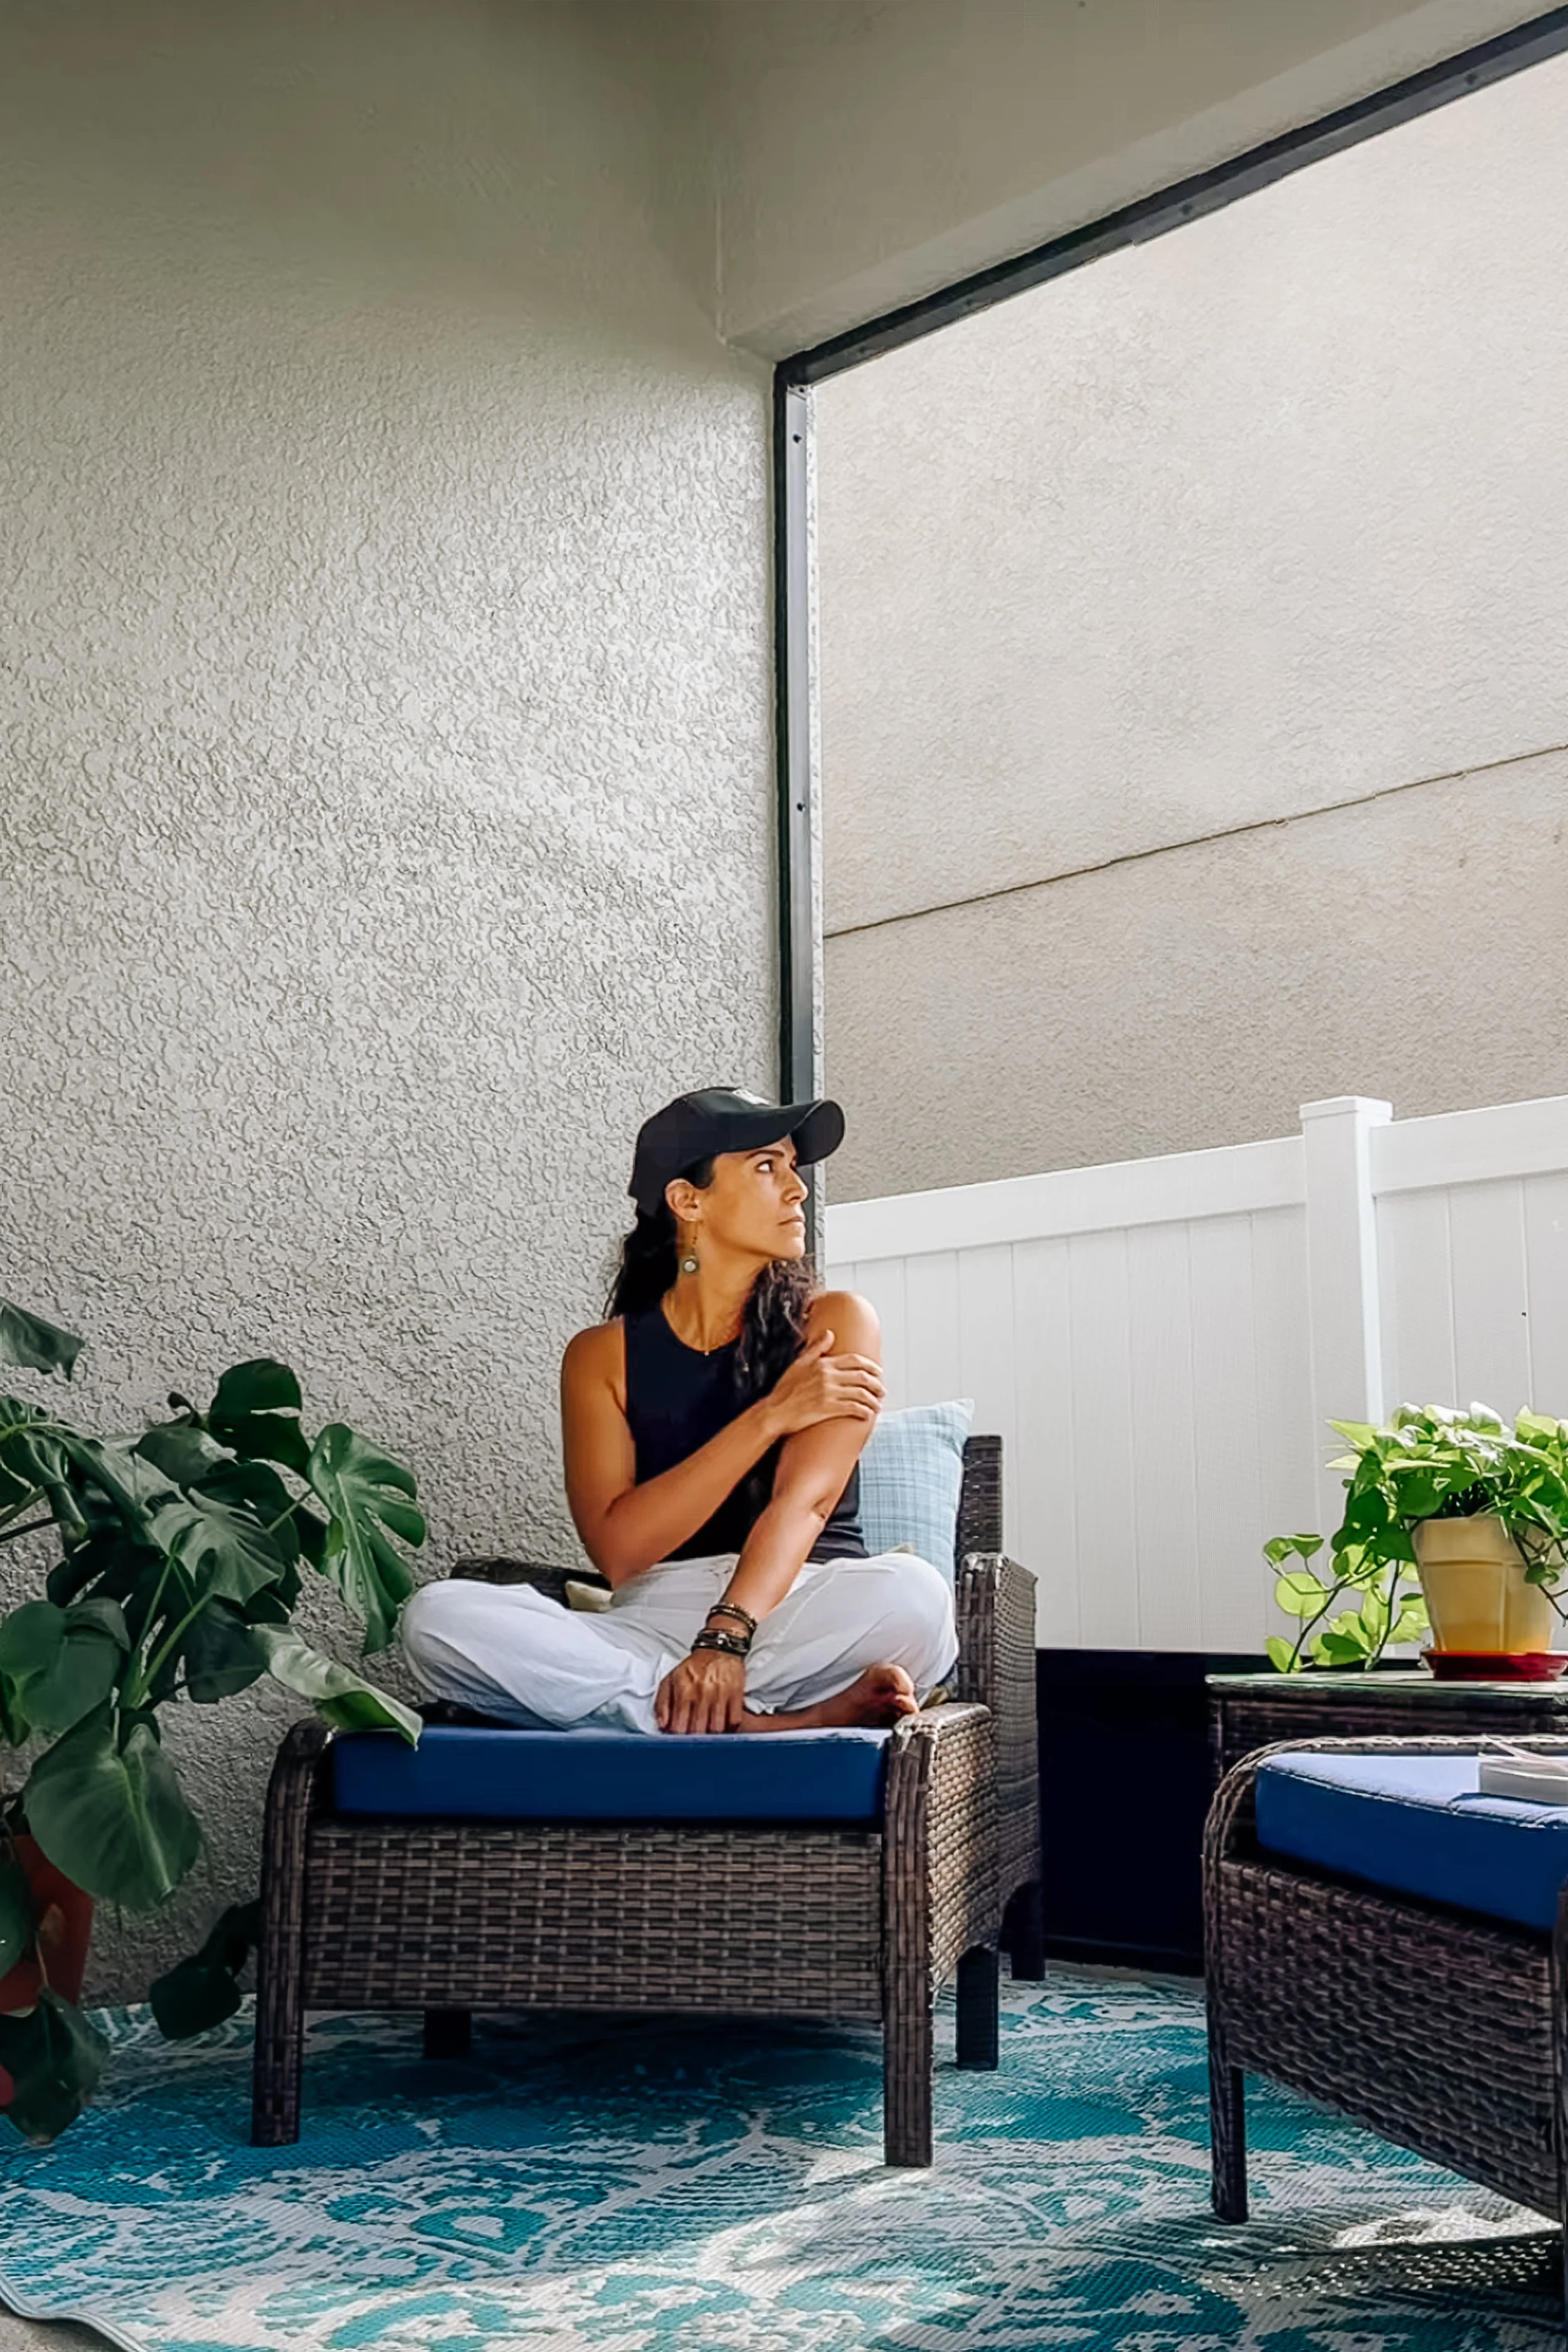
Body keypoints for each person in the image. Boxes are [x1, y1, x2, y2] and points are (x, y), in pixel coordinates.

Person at [401, 1088, 955, 1735]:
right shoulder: (600, 1357)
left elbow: (804, 1503)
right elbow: (622, 1554)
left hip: (806, 1608)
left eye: (792, 1166)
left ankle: (661, 1708)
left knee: (914, 1597)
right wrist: (769, 1417)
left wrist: (724, 1639)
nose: (797, 1189)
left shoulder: (833, 1322)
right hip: (656, 1619)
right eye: (765, 1167)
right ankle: (758, 1723)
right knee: (436, 1618)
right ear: (688, 1200)